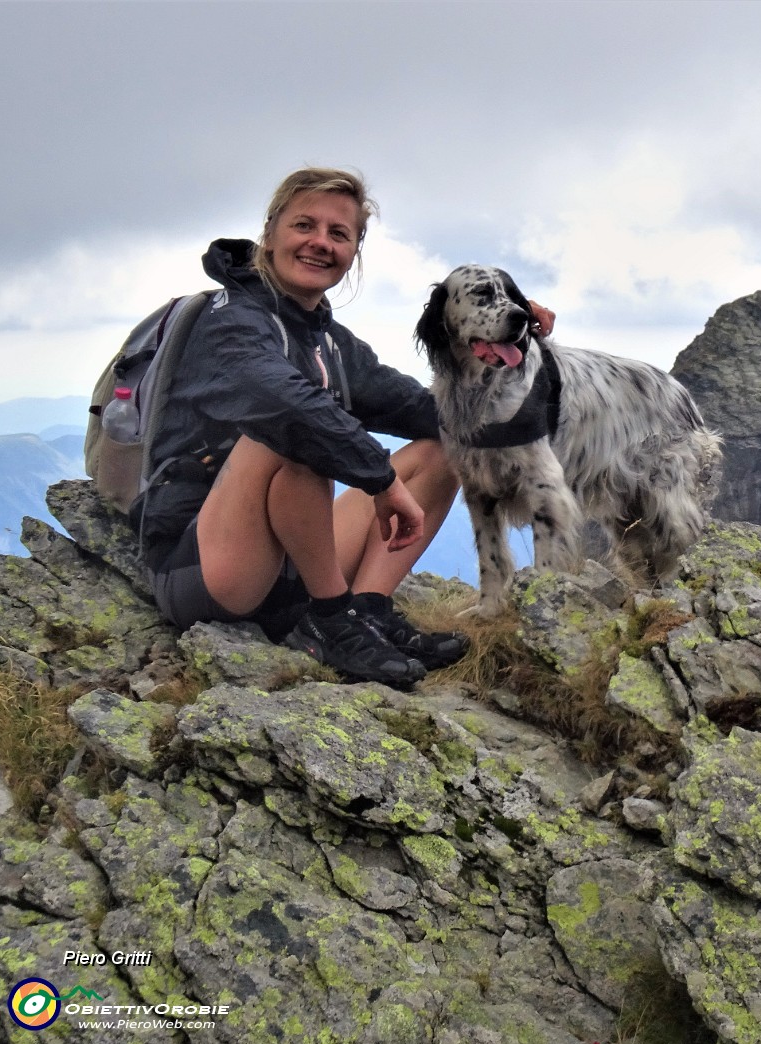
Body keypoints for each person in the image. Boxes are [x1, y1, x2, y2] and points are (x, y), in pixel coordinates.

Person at [133, 167, 554, 687]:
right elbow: (286, 408)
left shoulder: (328, 341)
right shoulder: (229, 321)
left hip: (291, 561)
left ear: (354, 251)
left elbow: (438, 414)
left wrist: (513, 352)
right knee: (293, 429)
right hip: (205, 566)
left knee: (446, 445)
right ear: (270, 234)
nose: (320, 243)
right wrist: (379, 479)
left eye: (339, 234)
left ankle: (366, 613)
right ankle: (333, 620)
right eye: (303, 226)